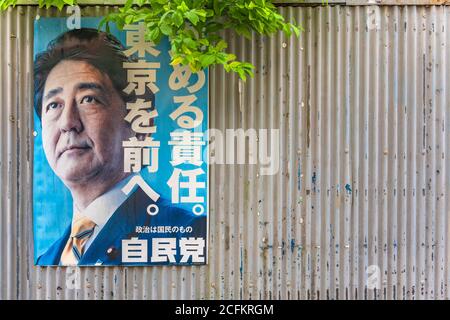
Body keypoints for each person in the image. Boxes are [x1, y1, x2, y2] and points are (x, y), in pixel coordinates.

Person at [34, 28, 206, 266]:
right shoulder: (46, 261)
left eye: (88, 99)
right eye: (53, 105)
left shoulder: (190, 234)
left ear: (140, 123)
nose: (67, 123)